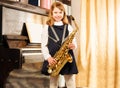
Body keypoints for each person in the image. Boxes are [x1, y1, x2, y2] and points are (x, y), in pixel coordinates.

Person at [41, 1, 78, 88]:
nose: (58, 15)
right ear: (51, 13)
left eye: (60, 12)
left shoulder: (68, 26)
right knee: (53, 83)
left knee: (70, 81)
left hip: (66, 55)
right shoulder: (47, 27)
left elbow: (74, 42)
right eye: (55, 12)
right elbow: (43, 45)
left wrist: (74, 46)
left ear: (64, 13)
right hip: (53, 58)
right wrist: (48, 57)